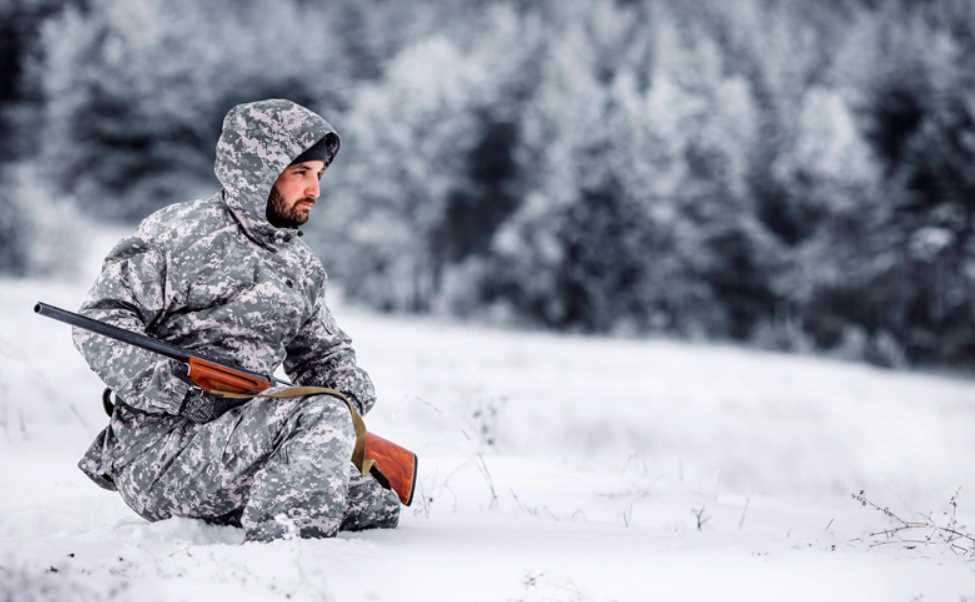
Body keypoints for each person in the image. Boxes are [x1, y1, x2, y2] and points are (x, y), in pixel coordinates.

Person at [72, 98, 400, 542]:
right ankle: (283, 564)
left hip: (240, 445)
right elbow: (101, 318)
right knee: (318, 434)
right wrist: (174, 390)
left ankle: (273, 515)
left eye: (319, 176)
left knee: (377, 501)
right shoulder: (179, 233)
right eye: (300, 173)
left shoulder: (299, 266)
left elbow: (326, 355)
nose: (315, 190)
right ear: (258, 171)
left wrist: (349, 396)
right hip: (159, 451)